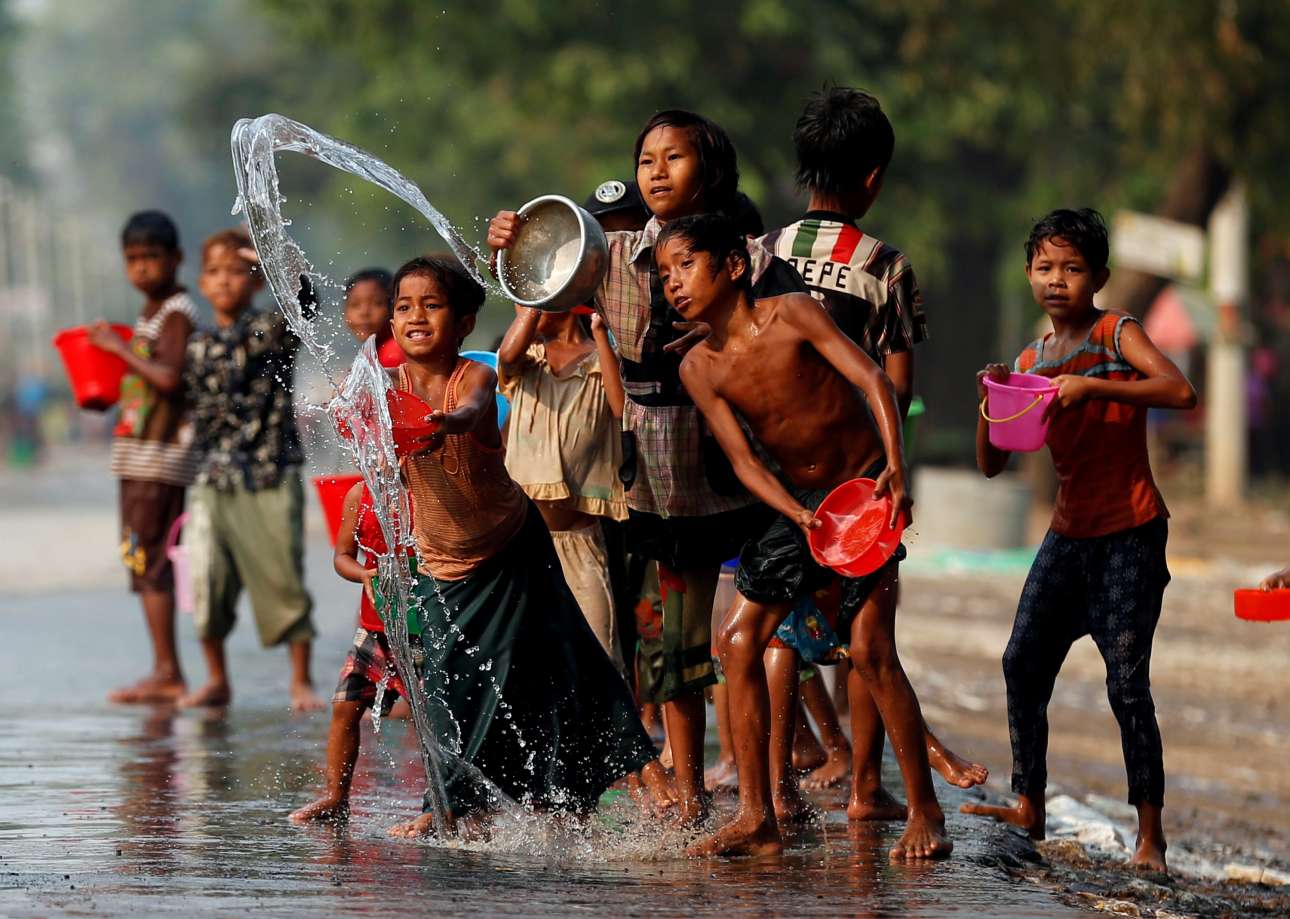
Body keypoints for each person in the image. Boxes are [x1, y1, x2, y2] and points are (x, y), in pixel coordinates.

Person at [488, 110, 804, 825]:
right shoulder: (612, 253)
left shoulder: (749, 258)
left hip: (744, 454)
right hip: (660, 474)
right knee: (678, 648)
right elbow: (543, 261)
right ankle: (692, 795)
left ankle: (774, 790)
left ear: (712, 170)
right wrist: (511, 240)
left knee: (761, 636)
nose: (657, 171)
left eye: (675, 157)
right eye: (647, 159)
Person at [654, 213, 949, 861]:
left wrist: (895, 466)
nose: (674, 283)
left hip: (862, 491)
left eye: (685, 264)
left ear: (733, 264)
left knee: (871, 649)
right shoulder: (700, 367)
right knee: (737, 640)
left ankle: (925, 809)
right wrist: (792, 509)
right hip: (795, 508)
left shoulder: (792, 312)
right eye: (665, 273)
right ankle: (759, 814)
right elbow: (743, 460)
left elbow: (873, 379)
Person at [375, 255, 670, 835]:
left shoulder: (473, 378)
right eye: (404, 307)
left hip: (511, 548)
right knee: (444, 686)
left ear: (462, 323)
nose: (415, 316)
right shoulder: (388, 389)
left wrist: (453, 422)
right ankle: (452, 806)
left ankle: (641, 774)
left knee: (567, 662)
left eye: (431, 306)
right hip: (441, 563)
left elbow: (475, 408)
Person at [759, 87, 986, 806]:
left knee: (777, 626)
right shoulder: (886, 266)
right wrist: (897, 474)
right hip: (858, 477)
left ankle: (774, 789)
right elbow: (896, 385)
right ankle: (864, 786)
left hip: (775, 471)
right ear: (873, 177)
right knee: (867, 629)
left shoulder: (761, 253)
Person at [963, 208, 1197, 873]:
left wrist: (1091, 385)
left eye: (1071, 268)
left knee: (1126, 682)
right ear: (1028, 274)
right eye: (1044, 267)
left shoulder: (1113, 331)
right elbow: (993, 462)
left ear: (1098, 275)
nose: (1056, 280)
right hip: (1068, 534)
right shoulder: (1032, 358)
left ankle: (1149, 832)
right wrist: (991, 396)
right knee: (1021, 661)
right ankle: (1027, 801)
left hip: (1130, 529)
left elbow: (1180, 389)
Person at [182, 229, 322, 711]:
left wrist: (276, 254)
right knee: (207, 579)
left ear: (256, 281)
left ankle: (300, 680)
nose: (225, 282)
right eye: (215, 272)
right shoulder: (197, 344)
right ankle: (217, 679)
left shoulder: (268, 330)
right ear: (202, 282)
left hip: (269, 473)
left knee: (281, 574)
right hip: (211, 478)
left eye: (237, 271)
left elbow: (305, 300)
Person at [89, 210, 199, 704]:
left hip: (158, 460)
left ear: (175, 259)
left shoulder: (177, 312)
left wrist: (116, 349)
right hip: (139, 456)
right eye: (132, 260)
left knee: (149, 559)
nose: (141, 269)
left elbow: (170, 379)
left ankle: (167, 671)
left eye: (151, 258)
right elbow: (147, 383)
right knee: (141, 557)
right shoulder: (152, 314)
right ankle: (164, 667)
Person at [497, 306, 628, 669]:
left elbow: (621, 409)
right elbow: (507, 356)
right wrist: (525, 311)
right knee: (526, 660)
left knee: (600, 655)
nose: (529, 307)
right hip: (521, 544)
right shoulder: (529, 360)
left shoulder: (600, 360)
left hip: (578, 541)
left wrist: (601, 334)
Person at [291, 481, 416, 823]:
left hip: (425, 629)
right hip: (374, 628)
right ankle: (335, 797)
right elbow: (342, 556)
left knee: (436, 722)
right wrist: (364, 574)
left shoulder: (435, 491)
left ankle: (442, 808)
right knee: (345, 707)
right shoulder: (361, 496)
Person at [343, 267, 403, 368]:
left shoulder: (393, 353)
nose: (364, 312)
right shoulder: (372, 353)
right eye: (355, 304)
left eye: (377, 303)